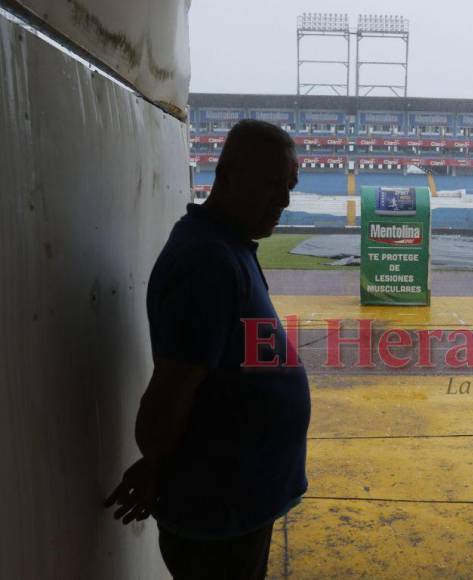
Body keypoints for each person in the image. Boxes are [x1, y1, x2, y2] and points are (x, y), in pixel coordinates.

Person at [104, 120, 310, 580]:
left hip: (235, 506)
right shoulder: (208, 262)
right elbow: (171, 391)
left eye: (290, 185)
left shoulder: (226, 247)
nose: (284, 200)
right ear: (226, 175)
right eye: (271, 184)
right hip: (219, 514)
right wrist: (156, 462)